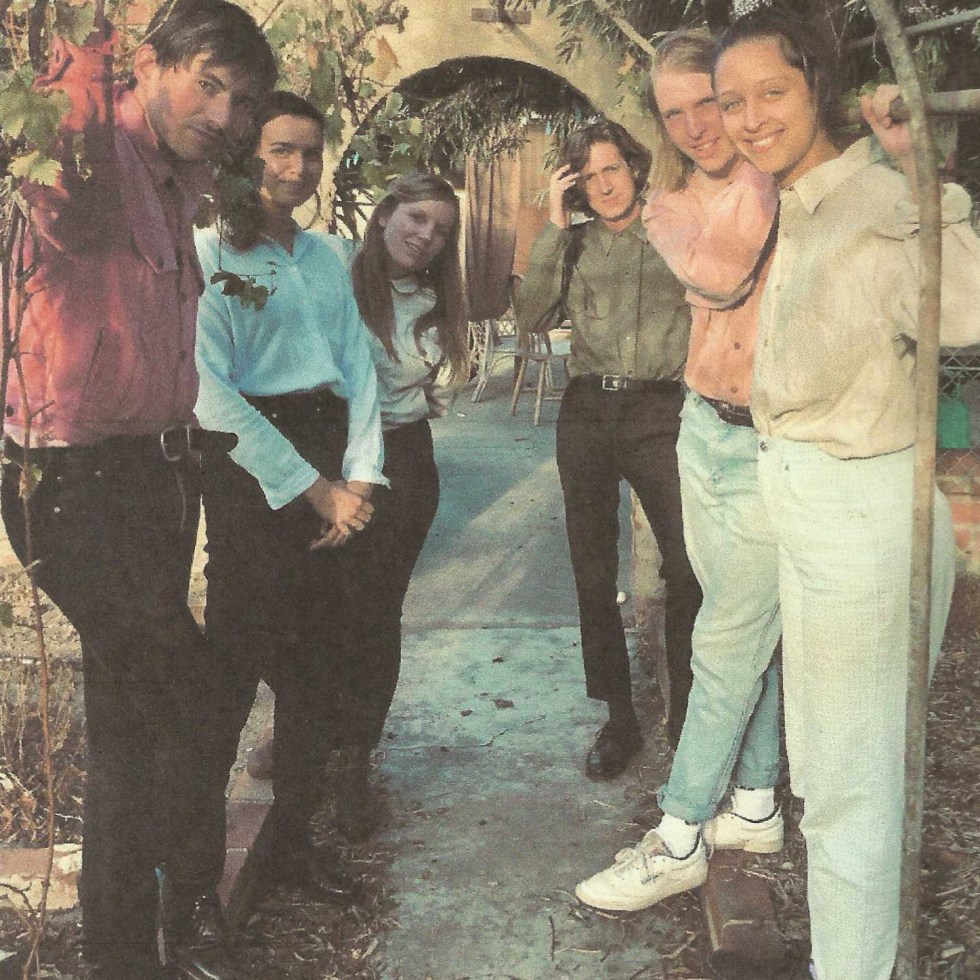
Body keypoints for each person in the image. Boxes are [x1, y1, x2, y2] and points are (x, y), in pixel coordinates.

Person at [0, 3, 276, 978]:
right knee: (192, 690)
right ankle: (180, 911)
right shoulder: (92, 152)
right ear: (148, 63)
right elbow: (61, 192)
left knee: (128, 722)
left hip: (157, 475)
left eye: (240, 99)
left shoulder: (173, 176)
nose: (225, 114)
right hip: (70, 481)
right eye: (208, 83)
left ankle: (128, 949)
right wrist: (95, 39)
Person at [706, 11, 979, 980]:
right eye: (730, 101)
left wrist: (924, 178)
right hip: (803, 499)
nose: (748, 118)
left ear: (817, 88)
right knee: (825, 775)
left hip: (863, 516)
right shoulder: (802, 199)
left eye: (770, 93)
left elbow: (967, 308)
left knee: (851, 790)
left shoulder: (875, 195)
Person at [575, 27, 784, 913]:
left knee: (729, 632)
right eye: (675, 113)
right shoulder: (674, 201)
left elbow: (721, 279)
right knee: (746, 621)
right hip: (703, 426)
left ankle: (680, 832)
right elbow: (719, 277)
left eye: (711, 102)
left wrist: (759, 175)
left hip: (770, 437)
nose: (698, 125)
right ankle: (757, 799)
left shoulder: (772, 180)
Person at [194, 90, 390, 899]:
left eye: (311, 152)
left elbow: (358, 368)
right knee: (237, 662)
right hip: (252, 467)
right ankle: (194, 872)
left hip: (329, 454)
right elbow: (211, 395)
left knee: (318, 665)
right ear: (247, 156)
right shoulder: (210, 255)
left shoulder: (325, 257)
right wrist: (315, 490)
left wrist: (361, 478)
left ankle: (294, 846)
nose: (299, 167)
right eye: (280, 149)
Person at [240, 173, 469, 835]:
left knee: (371, 617)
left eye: (441, 230)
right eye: (417, 217)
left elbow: (438, 392)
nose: (425, 237)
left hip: (399, 464)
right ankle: (305, 724)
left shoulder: (435, 303)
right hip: (320, 456)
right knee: (291, 605)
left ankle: (351, 760)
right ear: (387, 211)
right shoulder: (333, 264)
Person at [517, 120, 702, 780]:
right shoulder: (571, 244)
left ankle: (688, 716)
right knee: (592, 568)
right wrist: (553, 222)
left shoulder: (673, 228)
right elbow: (531, 317)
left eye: (611, 170)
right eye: (588, 177)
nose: (602, 186)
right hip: (589, 412)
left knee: (689, 561)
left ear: (634, 167)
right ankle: (619, 717)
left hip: (661, 411)